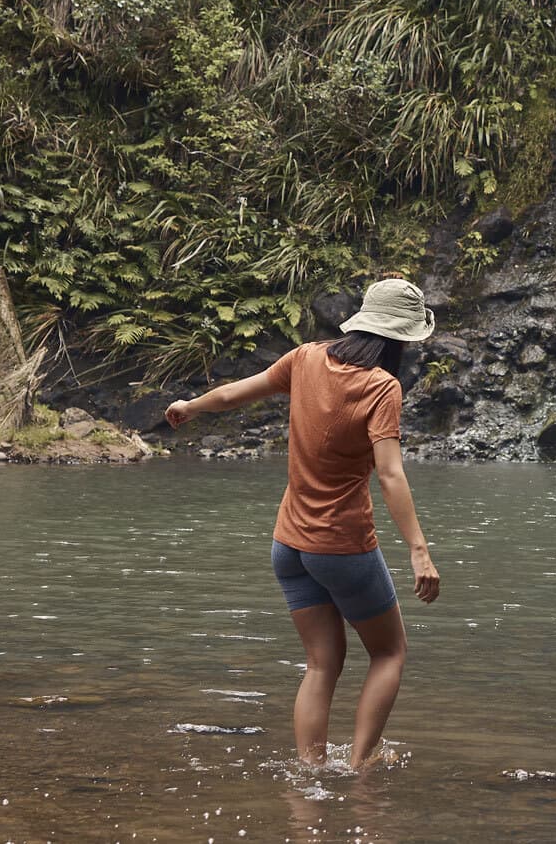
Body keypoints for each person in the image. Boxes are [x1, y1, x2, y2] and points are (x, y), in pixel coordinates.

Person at [166, 277, 443, 772]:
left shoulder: (306, 357)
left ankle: (311, 775)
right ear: (402, 339)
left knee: (321, 664)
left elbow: (232, 396)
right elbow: (390, 472)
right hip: (341, 546)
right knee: (389, 653)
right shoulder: (382, 386)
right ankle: (361, 767)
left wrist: (191, 406)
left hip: (288, 545)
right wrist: (419, 551)